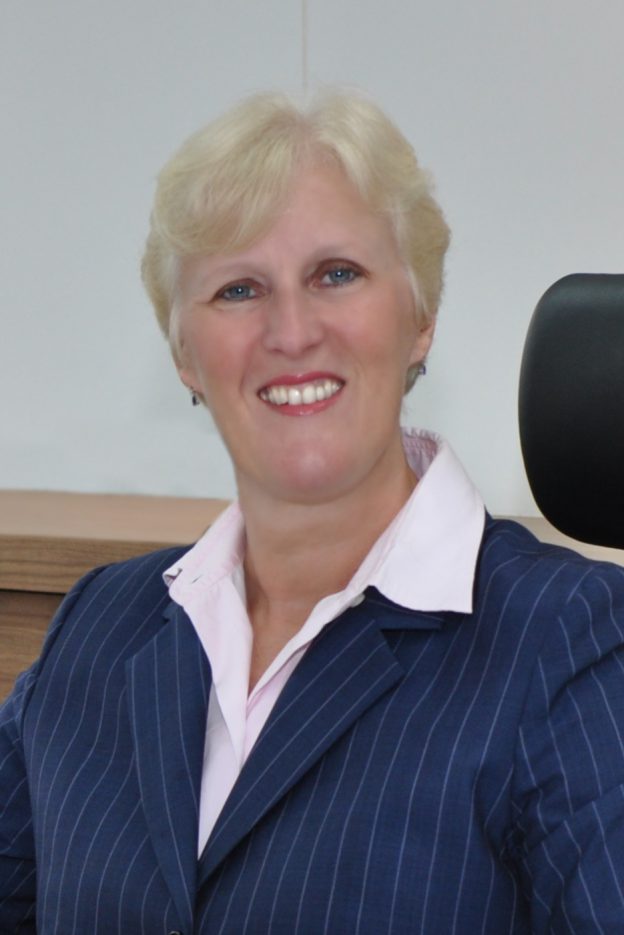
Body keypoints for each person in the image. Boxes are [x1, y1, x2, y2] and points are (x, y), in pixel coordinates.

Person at [2, 90, 624, 935]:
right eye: (238, 289)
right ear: (185, 355)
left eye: (337, 274)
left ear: (420, 318)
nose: (291, 332)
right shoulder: (98, 627)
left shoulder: (570, 643)